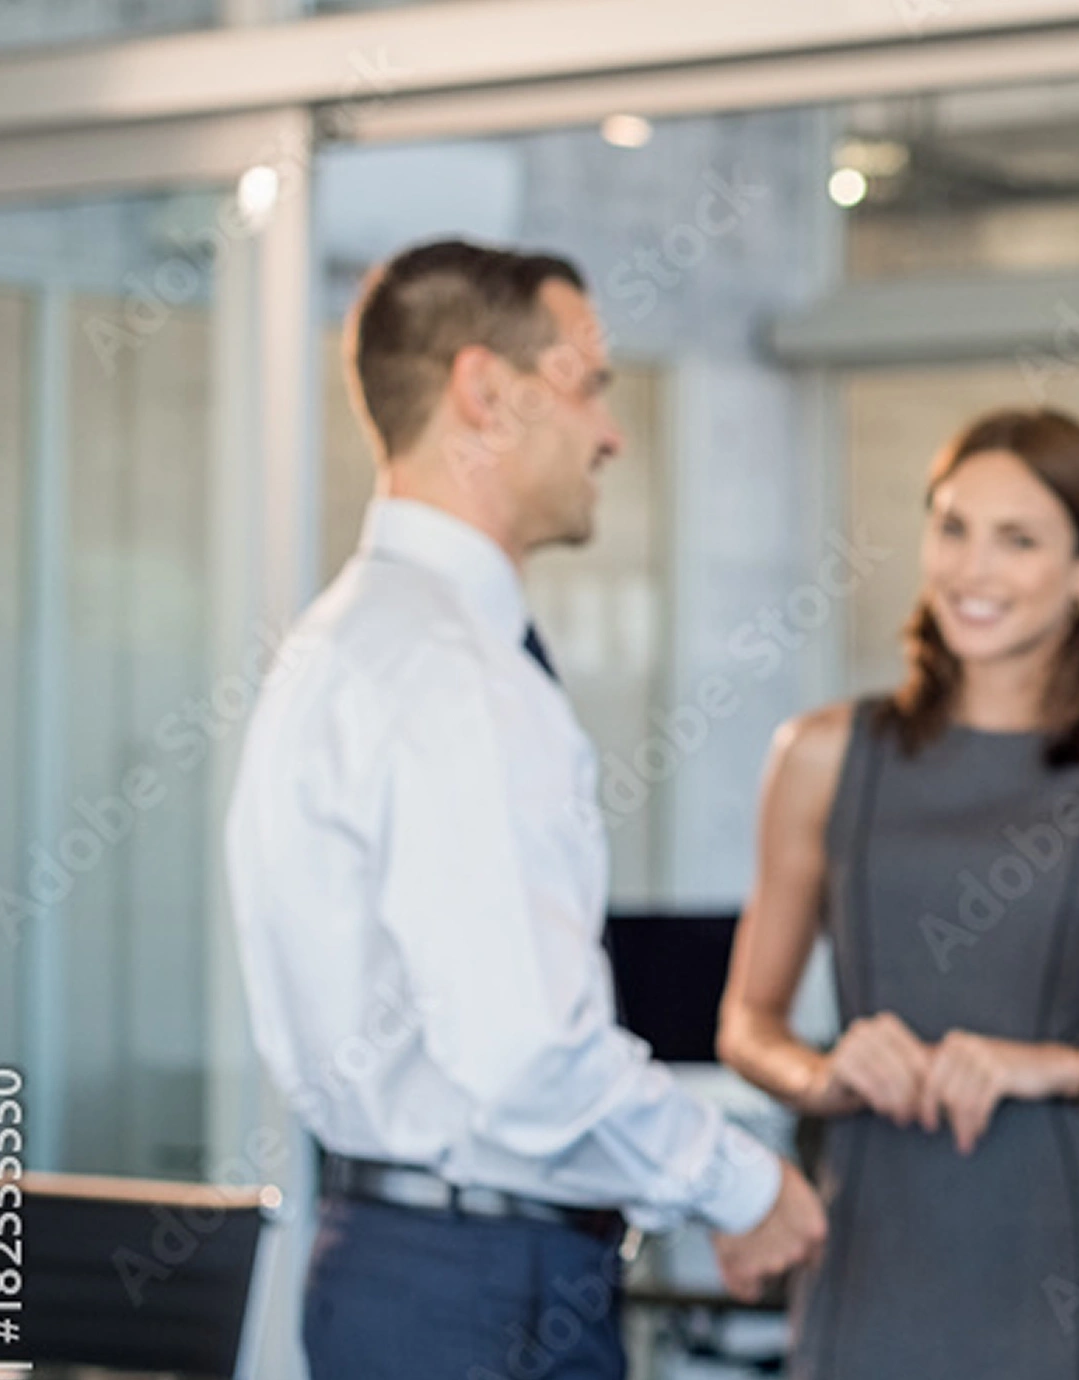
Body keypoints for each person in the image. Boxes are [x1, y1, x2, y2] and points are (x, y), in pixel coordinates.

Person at [227, 240, 825, 1380]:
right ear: (485, 392)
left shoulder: (343, 640)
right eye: (588, 384)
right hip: (483, 1289)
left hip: (394, 1260)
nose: (612, 433)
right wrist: (742, 1183)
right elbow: (524, 1055)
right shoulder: (454, 672)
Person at [716, 408, 1079, 1380]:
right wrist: (824, 1076)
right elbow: (747, 1024)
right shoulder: (820, 755)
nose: (972, 569)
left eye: (1018, 540)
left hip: (1064, 1266)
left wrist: (1056, 1067)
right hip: (864, 1257)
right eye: (952, 528)